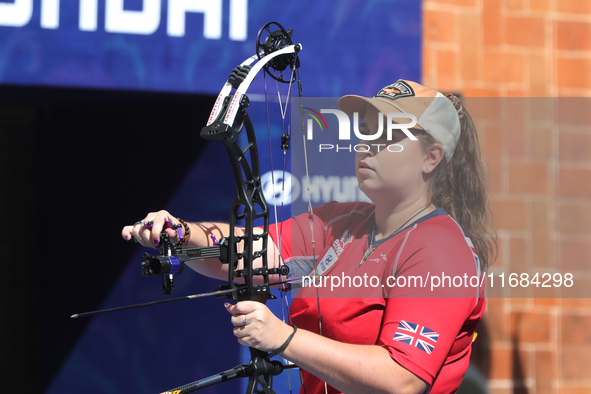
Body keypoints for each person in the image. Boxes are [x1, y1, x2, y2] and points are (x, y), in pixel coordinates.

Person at [122, 80, 496, 394]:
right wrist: (181, 233)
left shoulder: (441, 249)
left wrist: (283, 338)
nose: (366, 142)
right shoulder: (341, 221)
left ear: (431, 157)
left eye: (386, 132)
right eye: (365, 129)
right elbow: (249, 252)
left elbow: (402, 378)